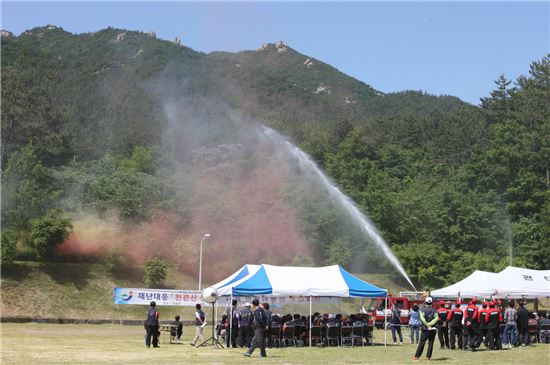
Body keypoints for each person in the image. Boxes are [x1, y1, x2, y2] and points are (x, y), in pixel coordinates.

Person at [413, 297, 439, 361]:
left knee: (422, 343)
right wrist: (430, 324)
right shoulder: (434, 310)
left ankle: (416, 356)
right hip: (433, 329)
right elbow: (436, 318)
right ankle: (428, 357)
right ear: (431, 303)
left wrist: (427, 324)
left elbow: (422, 318)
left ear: (425, 302)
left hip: (425, 329)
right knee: (431, 343)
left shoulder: (423, 310)